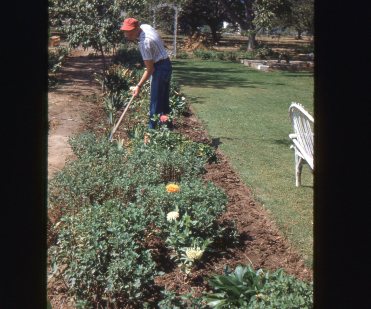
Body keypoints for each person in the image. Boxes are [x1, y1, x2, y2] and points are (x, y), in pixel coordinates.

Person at [120, 17, 172, 129]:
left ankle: (152, 131)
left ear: (136, 28)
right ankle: (166, 127)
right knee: (163, 100)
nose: (126, 34)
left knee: (155, 101)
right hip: (166, 63)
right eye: (125, 31)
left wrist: (138, 86)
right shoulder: (145, 26)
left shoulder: (144, 43)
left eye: (129, 31)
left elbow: (150, 70)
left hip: (160, 68)